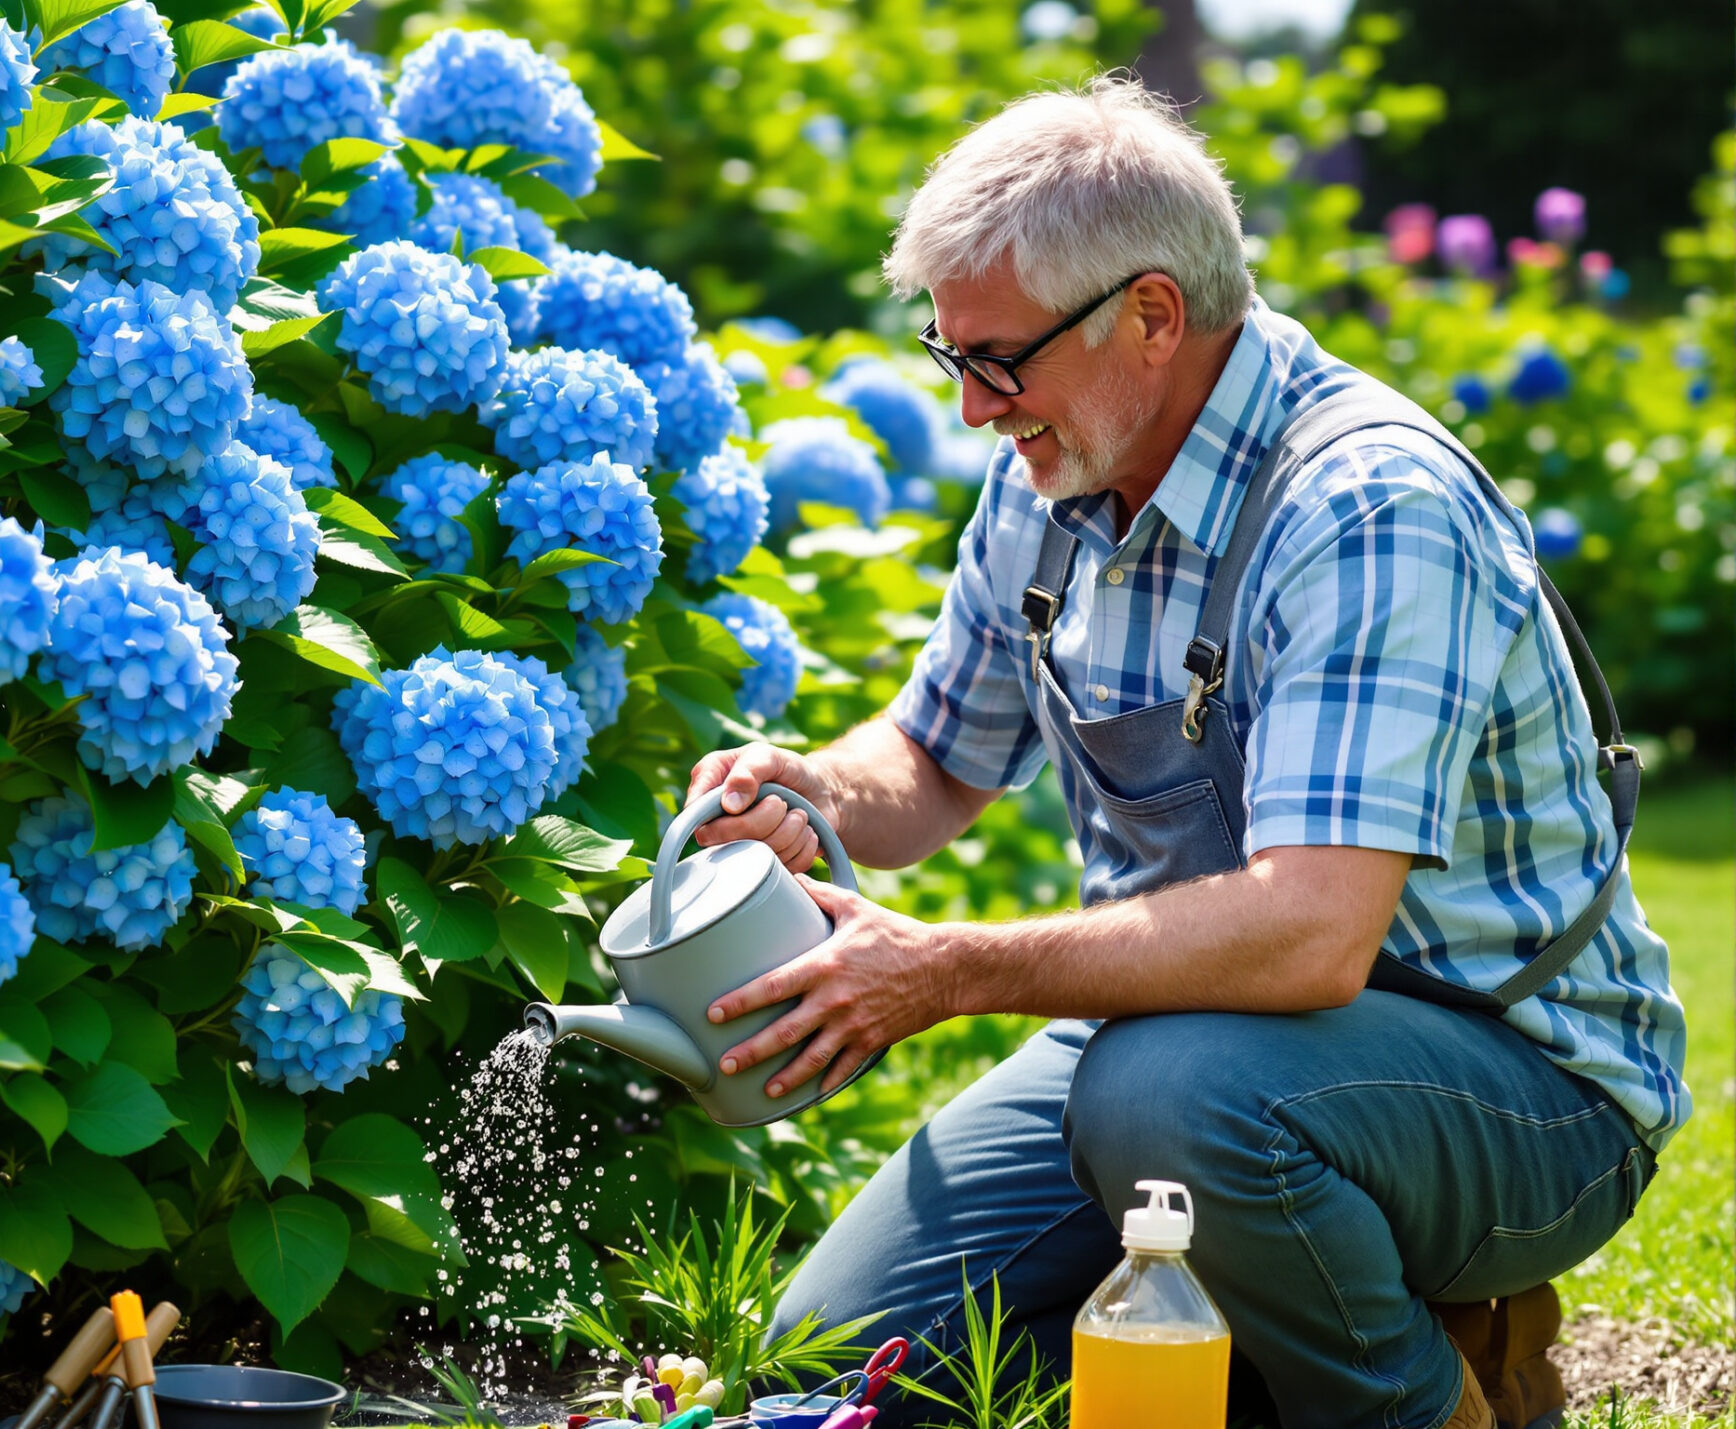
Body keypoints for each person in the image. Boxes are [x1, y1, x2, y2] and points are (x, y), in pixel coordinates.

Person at [693, 77, 1686, 1429]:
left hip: (1513, 1075)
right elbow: (929, 761)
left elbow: (1307, 938)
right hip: (1185, 1051)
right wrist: (806, 789)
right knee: (835, 1371)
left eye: (998, 361)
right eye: (950, 359)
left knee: (1166, 1097)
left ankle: (1432, 1403)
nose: (976, 409)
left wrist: (944, 968)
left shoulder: (1364, 506)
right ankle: (1270, 1353)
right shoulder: (1048, 476)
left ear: (1151, 316)